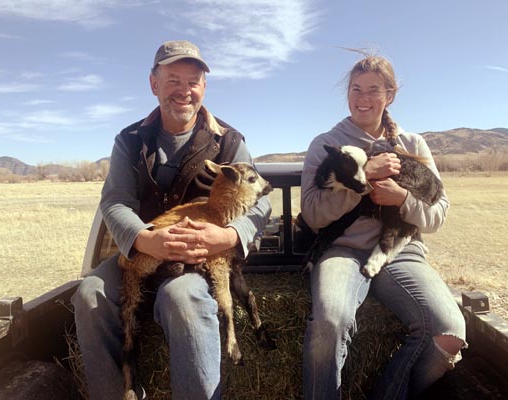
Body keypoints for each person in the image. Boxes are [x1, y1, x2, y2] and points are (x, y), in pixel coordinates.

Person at [71, 40, 271, 400]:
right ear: (154, 84)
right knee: (89, 295)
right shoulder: (130, 140)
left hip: (194, 262)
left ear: (204, 87)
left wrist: (226, 237)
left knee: (184, 300)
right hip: (140, 252)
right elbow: (115, 201)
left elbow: (260, 207)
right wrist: (145, 238)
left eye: (193, 81)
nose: (184, 90)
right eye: (173, 79)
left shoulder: (229, 141)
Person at [300, 53, 466, 399]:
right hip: (342, 251)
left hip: (401, 254)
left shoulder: (412, 144)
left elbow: (438, 214)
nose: (363, 99)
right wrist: (363, 179)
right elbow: (313, 215)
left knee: (449, 331)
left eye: (373, 90)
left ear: (389, 95)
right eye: (356, 89)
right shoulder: (325, 145)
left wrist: (402, 200)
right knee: (329, 322)